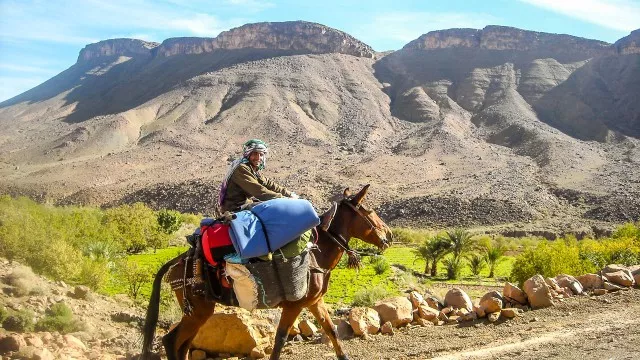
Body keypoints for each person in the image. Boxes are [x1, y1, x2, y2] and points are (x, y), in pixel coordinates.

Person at [218, 139, 298, 213]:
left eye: (261, 154)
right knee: (274, 210)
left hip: (244, 204)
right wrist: (285, 199)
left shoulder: (252, 168)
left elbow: (268, 183)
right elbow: (259, 191)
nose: (258, 158)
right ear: (248, 154)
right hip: (235, 208)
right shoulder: (241, 168)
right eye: (255, 153)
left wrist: (289, 194)